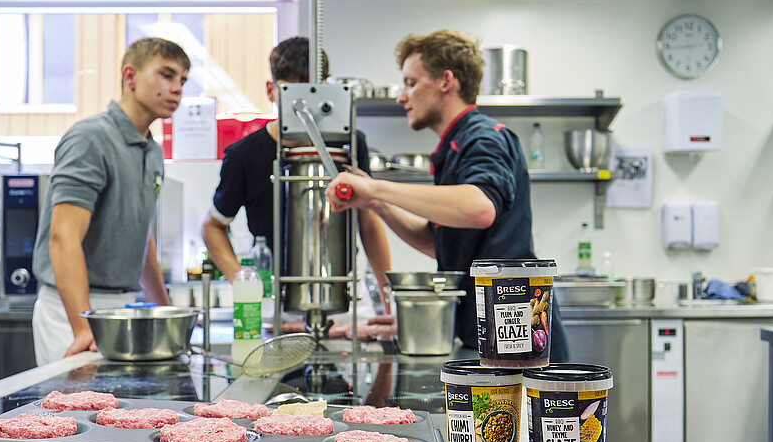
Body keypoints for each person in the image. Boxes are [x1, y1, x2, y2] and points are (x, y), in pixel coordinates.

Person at [326, 30, 569, 362]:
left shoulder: (483, 137)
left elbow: (480, 209)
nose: (402, 96)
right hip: (489, 334)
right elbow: (436, 243)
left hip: (521, 338)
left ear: (446, 81)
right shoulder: (455, 148)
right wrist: (376, 204)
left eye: (411, 82)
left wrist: (378, 186)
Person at [201, 36, 392, 314]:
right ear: (271, 90)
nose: (304, 104)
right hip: (275, 304)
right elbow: (212, 226)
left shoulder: (350, 145)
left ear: (326, 89)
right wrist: (243, 282)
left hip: (342, 299)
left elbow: (369, 222)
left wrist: (387, 303)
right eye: (292, 91)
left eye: (314, 90)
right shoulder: (244, 155)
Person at [31, 37, 189, 365]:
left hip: (124, 308)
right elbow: (63, 237)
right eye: (166, 75)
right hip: (73, 310)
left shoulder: (152, 151)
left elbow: (139, 238)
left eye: (182, 80)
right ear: (130, 77)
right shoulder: (91, 139)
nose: (177, 88)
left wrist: (169, 317)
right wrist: (81, 328)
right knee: (77, 413)